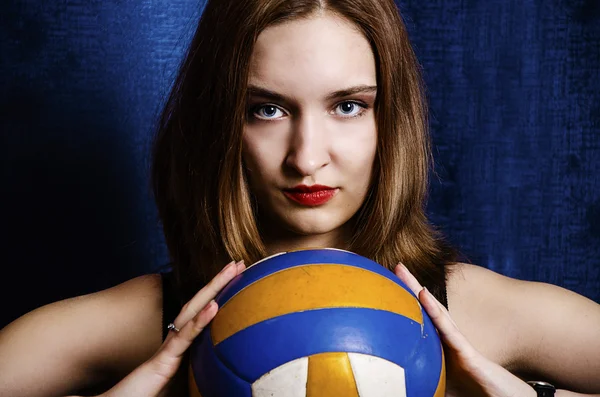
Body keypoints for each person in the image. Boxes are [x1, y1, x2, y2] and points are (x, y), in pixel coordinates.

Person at [1, 0, 599, 396]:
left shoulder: (468, 313)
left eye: (347, 106)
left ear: (391, 121)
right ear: (218, 125)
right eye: (267, 109)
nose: (307, 155)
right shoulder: (148, 324)